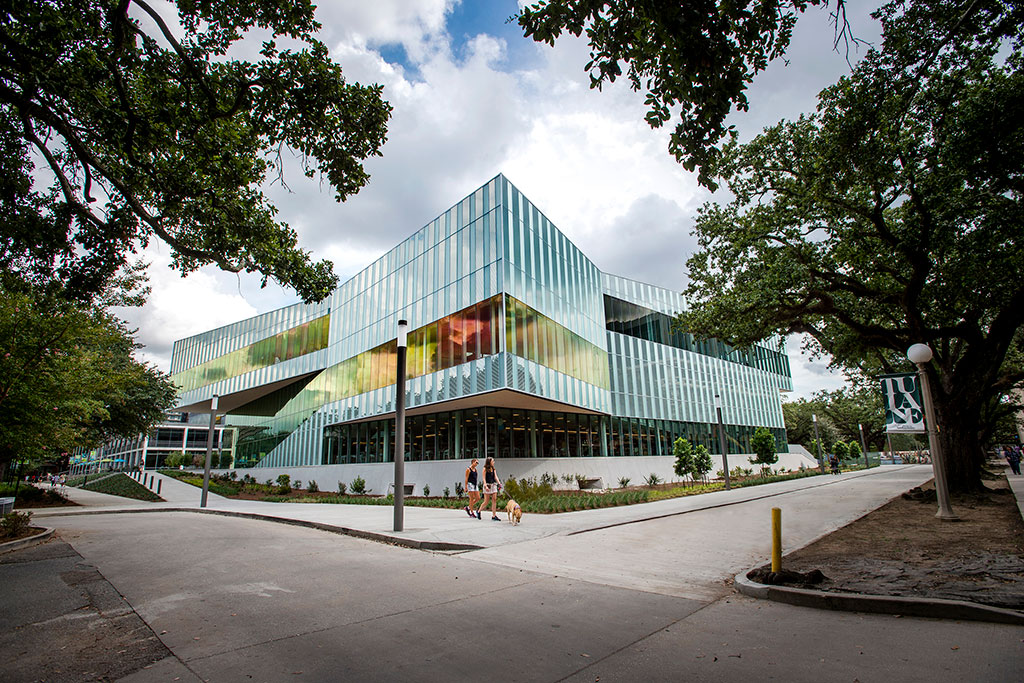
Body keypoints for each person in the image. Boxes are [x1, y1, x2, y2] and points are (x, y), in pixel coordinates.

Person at [475, 457, 501, 521]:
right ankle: (478, 511)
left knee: (494, 499)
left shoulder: (493, 468)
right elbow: (483, 478)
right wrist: (485, 485)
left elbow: (495, 476)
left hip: (493, 485)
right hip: (487, 485)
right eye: (493, 461)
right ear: (489, 462)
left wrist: (499, 483)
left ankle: (494, 516)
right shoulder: (485, 469)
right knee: (486, 501)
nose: (494, 462)